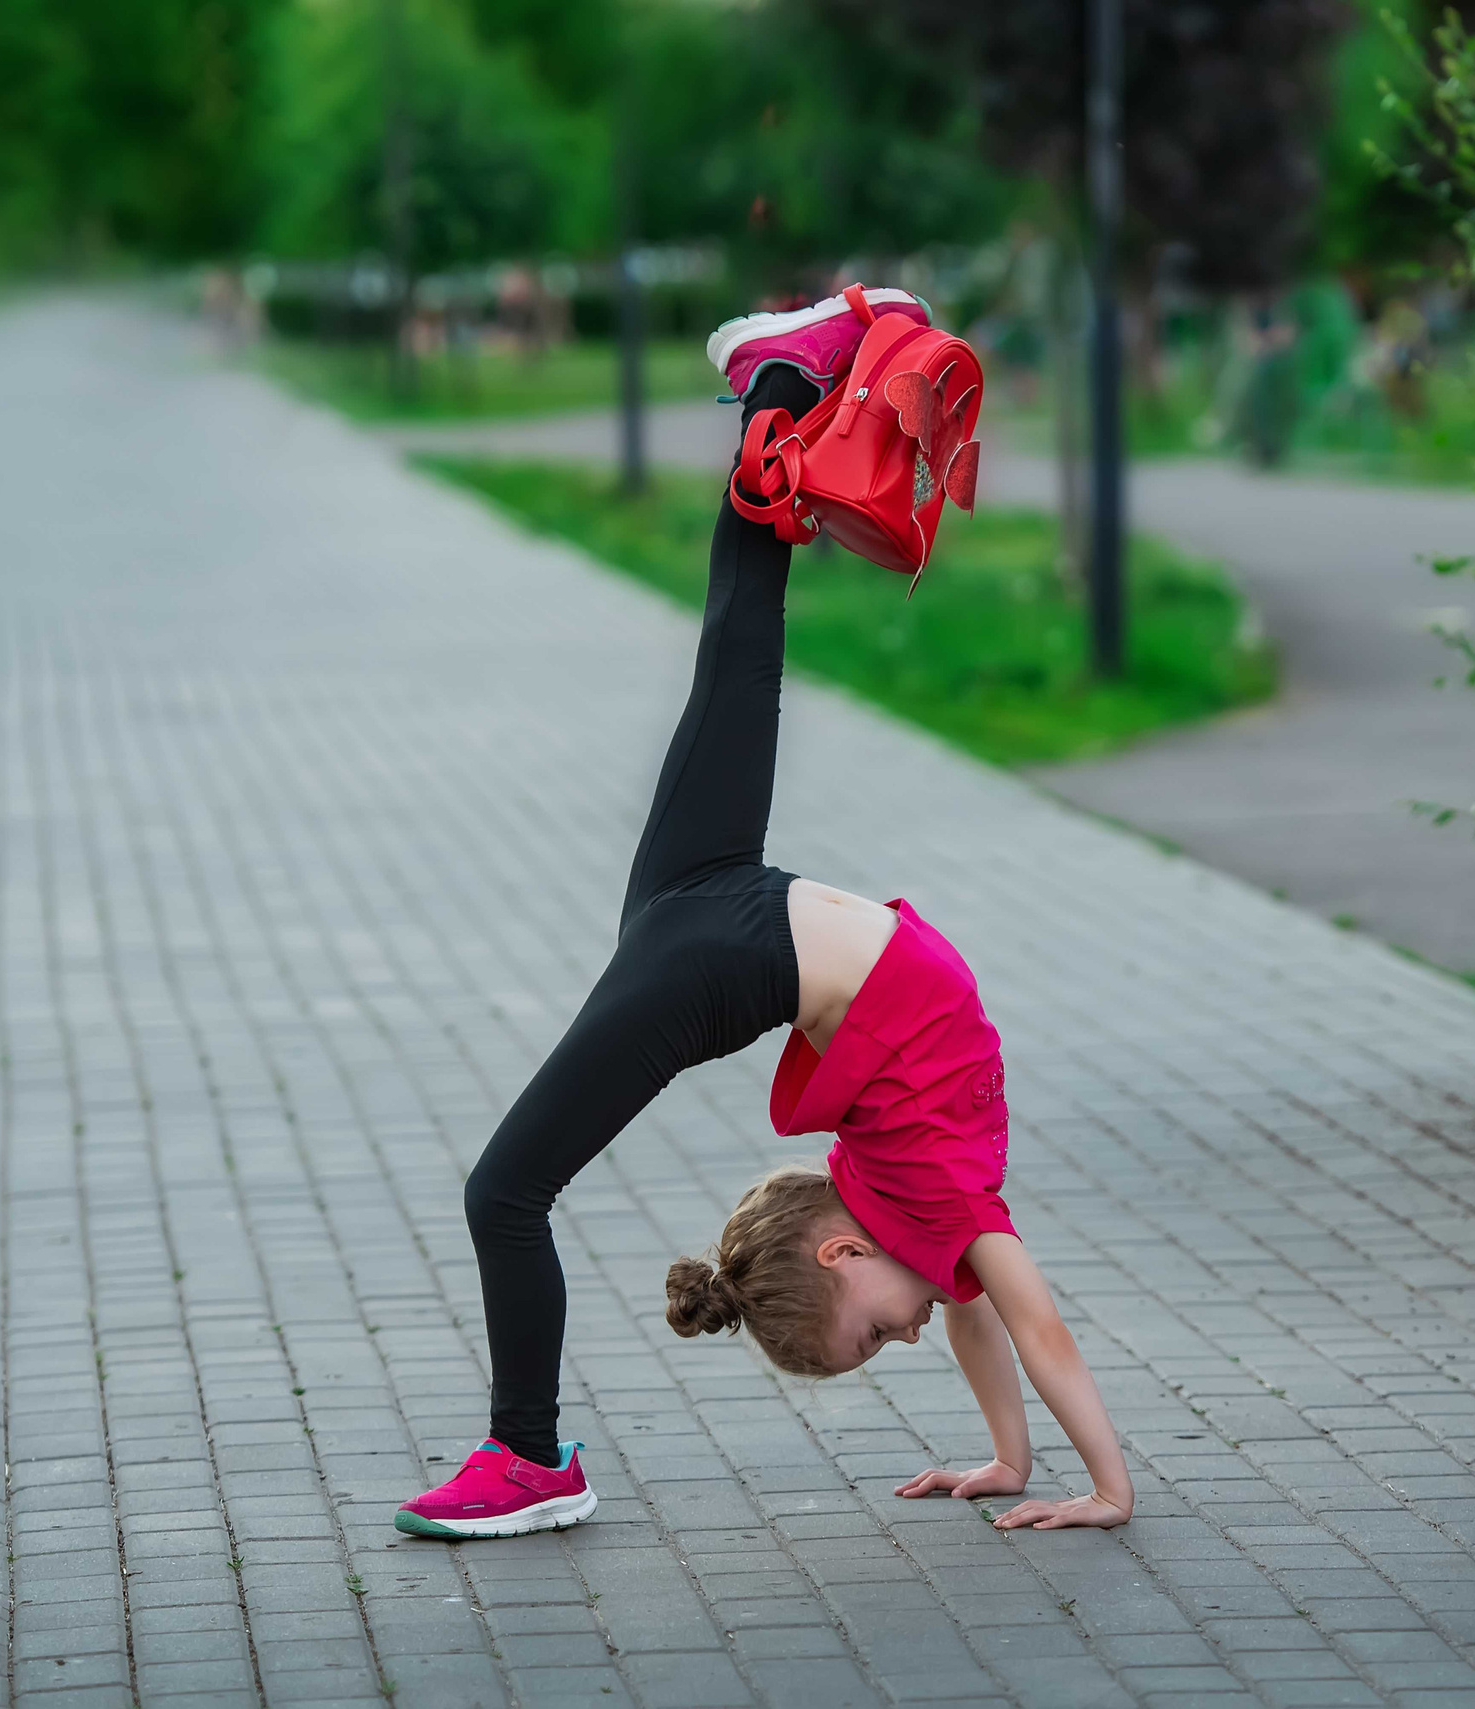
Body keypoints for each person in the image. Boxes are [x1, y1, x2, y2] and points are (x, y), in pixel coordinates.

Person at [395, 288, 1135, 1541]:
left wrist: (1030, 1464)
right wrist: (1087, 1483)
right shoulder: (934, 1208)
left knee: (737, 651)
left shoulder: (918, 1207)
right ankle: (531, 1460)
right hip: (728, 936)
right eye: (884, 1338)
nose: (903, 1334)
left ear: (841, 1250)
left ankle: (784, 382)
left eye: (869, 1341)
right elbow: (1020, 1316)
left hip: (730, 924)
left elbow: (985, 1312)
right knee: (504, 1194)